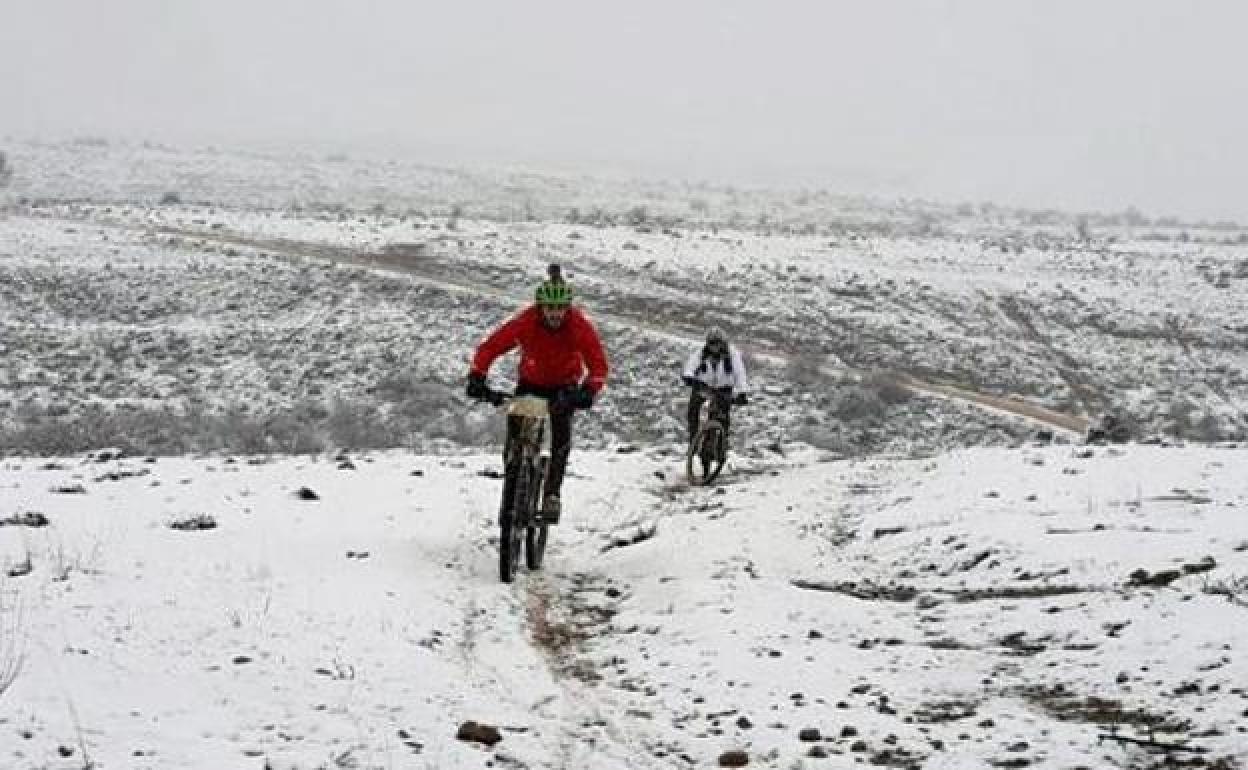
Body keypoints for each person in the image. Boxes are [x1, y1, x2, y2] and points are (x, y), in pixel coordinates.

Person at [465, 265, 608, 524]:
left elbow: (598, 365)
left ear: (567, 308)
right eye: (549, 308)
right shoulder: (527, 321)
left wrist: (588, 390)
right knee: (516, 437)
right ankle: (513, 474)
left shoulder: (579, 326)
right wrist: (477, 375)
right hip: (531, 383)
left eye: (560, 309)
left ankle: (552, 494)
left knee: (561, 440)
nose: (555, 314)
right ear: (540, 307)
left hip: (565, 387)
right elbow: (492, 346)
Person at [681, 327, 749, 446]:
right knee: (693, 409)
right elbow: (691, 365)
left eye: (717, 343)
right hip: (704, 386)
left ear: (723, 343)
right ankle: (693, 439)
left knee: (723, 413)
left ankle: (723, 442)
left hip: (723, 388)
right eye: (711, 343)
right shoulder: (701, 353)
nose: (714, 347)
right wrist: (689, 377)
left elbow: (740, 373)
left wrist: (742, 392)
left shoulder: (732, 354)